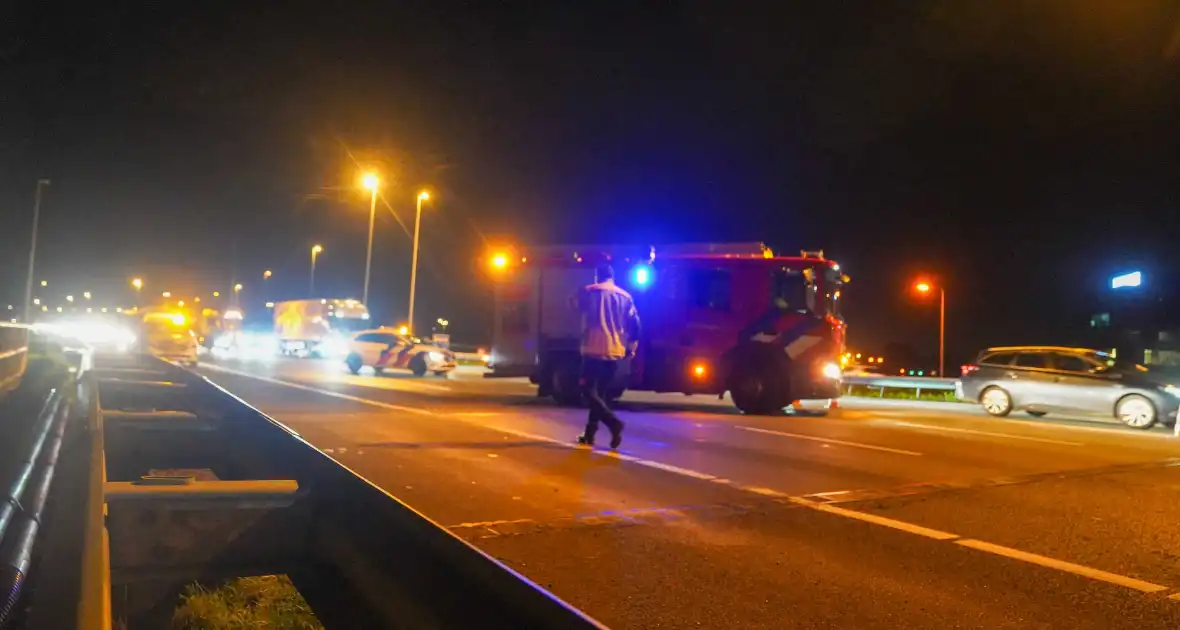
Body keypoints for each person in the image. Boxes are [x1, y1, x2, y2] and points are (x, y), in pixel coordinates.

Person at [576, 262, 641, 449]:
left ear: (597, 275)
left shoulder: (589, 291)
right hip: (615, 351)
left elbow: (573, 305)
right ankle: (589, 434)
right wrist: (631, 347)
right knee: (600, 394)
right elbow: (635, 325)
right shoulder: (625, 296)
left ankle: (614, 423)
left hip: (592, 349)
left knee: (587, 391)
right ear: (612, 277)